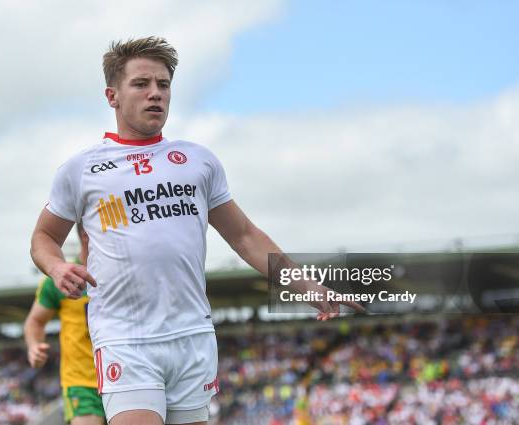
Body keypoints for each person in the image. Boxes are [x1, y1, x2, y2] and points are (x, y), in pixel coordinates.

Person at [30, 36, 364, 425]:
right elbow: (43, 238)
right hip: (125, 339)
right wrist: (56, 267)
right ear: (113, 96)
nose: (155, 94)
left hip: (192, 336)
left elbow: (244, 236)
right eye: (141, 84)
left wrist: (306, 286)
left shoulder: (196, 161)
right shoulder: (81, 169)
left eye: (163, 85)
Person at [24, 224, 105, 425]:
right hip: (82, 383)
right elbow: (35, 321)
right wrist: (34, 345)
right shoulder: (61, 278)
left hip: (127, 375)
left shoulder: (125, 275)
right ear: (87, 235)